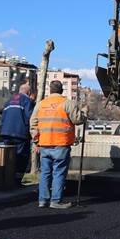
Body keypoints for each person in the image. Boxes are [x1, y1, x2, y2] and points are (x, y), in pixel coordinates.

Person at [30, 80, 85, 209]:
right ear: (62, 90)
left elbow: (33, 123)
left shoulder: (41, 104)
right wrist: (84, 114)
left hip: (44, 143)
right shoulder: (67, 103)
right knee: (59, 172)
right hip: (61, 143)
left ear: (50, 90)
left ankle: (43, 200)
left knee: (45, 172)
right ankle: (56, 201)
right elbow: (77, 120)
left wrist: (36, 140)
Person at [1, 83, 35, 186]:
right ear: (29, 93)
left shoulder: (9, 101)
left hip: (6, 133)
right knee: (21, 157)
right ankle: (17, 181)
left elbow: (3, 118)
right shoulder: (27, 101)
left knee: (8, 157)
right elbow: (30, 117)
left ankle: (6, 179)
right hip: (20, 133)